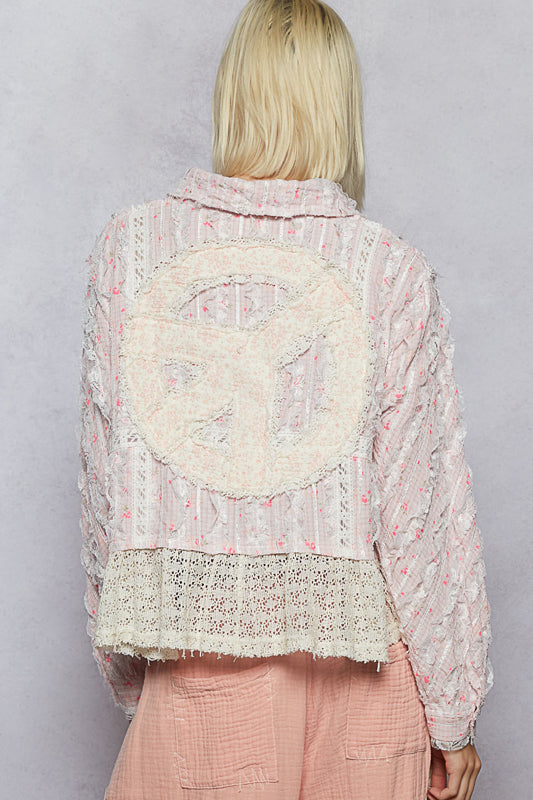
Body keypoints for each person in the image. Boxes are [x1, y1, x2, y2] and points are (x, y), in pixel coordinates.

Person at [77, 2, 494, 799]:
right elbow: (421, 516)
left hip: (195, 671)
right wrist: (452, 714)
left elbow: (106, 489)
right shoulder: (387, 270)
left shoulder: (130, 251)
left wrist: (132, 674)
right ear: (340, 105)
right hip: (364, 684)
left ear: (232, 93)